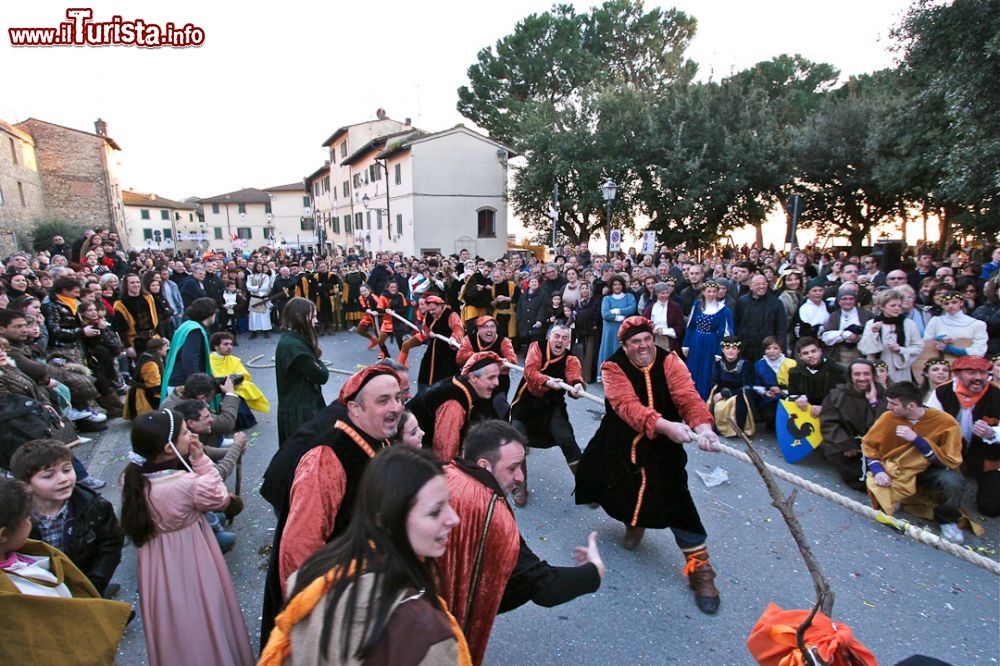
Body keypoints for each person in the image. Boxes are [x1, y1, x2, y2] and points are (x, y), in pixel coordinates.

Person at [260, 446, 467, 664]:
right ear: (386, 519)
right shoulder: (423, 631)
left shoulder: (322, 567)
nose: (454, 519)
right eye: (435, 511)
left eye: (448, 503)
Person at [575, 316, 723, 614]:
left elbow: (687, 397)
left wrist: (704, 427)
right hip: (621, 440)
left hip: (663, 449)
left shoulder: (671, 361)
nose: (643, 346)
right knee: (608, 478)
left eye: (646, 340)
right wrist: (666, 425)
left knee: (679, 502)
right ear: (625, 346)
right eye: (635, 343)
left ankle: (701, 571)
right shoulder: (612, 366)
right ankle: (634, 521)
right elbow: (627, 406)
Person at [440, 421, 604, 664]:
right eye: (513, 468)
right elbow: (542, 587)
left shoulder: (441, 472)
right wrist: (594, 572)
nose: (520, 477)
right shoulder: (493, 513)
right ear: (484, 465)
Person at [261, 366, 402, 647]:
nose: (396, 407)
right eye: (383, 400)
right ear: (355, 409)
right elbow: (300, 549)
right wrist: (314, 619)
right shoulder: (328, 457)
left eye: (399, 398)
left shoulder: (377, 440)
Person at [120, 409, 253, 665]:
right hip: (190, 552)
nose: (191, 435)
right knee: (201, 607)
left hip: (154, 558)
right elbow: (219, 497)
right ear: (169, 448)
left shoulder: (130, 479)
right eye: (185, 433)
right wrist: (201, 459)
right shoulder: (186, 483)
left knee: (170, 613)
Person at [0, 476, 131, 666]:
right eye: (27, 518)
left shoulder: (24, 552)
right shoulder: (13, 595)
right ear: (3, 535)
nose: (31, 522)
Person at [9, 439, 123, 595]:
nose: (63, 479)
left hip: (85, 584)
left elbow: (110, 545)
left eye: (67, 469)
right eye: (48, 476)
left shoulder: (94, 506)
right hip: (39, 592)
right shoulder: (16, 516)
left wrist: (95, 583)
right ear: (26, 484)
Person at [862, 381, 965, 544]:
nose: (888, 407)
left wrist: (918, 441)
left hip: (930, 470)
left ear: (911, 406)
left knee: (953, 481)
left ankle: (947, 520)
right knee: (880, 483)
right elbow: (869, 446)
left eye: (893, 404)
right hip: (898, 469)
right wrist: (878, 471)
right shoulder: (888, 418)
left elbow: (950, 461)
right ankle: (897, 498)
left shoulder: (945, 422)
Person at [509, 324, 586, 507]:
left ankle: (587, 485)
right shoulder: (536, 347)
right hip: (526, 401)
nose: (560, 341)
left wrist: (577, 387)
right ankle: (520, 485)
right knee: (516, 440)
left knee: (567, 439)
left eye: (564, 338)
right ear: (550, 337)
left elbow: (574, 377)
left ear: (568, 342)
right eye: (557, 336)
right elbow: (530, 371)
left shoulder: (571, 359)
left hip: (552, 405)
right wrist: (546, 381)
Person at [926, 355, 1000, 517]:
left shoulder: (997, 394)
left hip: (987, 456)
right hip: (949, 450)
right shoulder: (942, 392)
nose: (978, 378)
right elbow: (928, 424)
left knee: (991, 508)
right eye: (971, 373)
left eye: (982, 373)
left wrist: (992, 433)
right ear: (957, 375)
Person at [413, 351, 502, 461]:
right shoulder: (454, 403)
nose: (497, 383)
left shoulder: (459, 385)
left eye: (497, 377)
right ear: (473, 378)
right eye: (491, 377)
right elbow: (445, 454)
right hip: (412, 455)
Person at [819, 359, 886, 492]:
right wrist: (846, 444)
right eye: (857, 374)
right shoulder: (838, 395)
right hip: (849, 442)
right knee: (837, 453)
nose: (862, 378)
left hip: (877, 443)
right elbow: (829, 422)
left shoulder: (884, 395)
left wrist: (874, 403)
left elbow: (885, 423)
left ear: (873, 375)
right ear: (850, 376)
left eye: (866, 374)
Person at [275, 298, 330, 445]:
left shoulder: (294, 339)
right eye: (313, 316)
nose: (315, 321)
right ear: (300, 316)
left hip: (302, 404)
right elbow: (321, 375)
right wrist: (318, 361)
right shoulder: (293, 346)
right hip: (300, 410)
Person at [455, 315, 517, 414]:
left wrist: (506, 362)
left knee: (499, 404)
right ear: (478, 328)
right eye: (485, 327)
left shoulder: (504, 341)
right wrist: (480, 356)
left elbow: (512, 360)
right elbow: (460, 358)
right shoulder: (469, 339)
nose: (489, 330)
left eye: (492, 327)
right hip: (474, 382)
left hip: (497, 382)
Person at [858, 288, 923, 383]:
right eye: (893, 305)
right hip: (877, 369)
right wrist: (873, 333)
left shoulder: (909, 324)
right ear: (882, 307)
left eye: (899, 306)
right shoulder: (872, 323)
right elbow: (864, 349)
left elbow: (918, 347)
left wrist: (901, 350)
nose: (897, 308)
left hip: (900, 370)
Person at [684, 279, 734, 398]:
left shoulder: (723, 309)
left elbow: (725, 332)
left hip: (711, 344)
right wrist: (686, 344)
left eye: (714, 291)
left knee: (706, 372)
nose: (711, 294)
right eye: (709, 291)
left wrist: (719, 351)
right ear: (704, 292)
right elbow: (690, 326)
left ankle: (704, 400)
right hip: (696, 341)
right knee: (692, 369)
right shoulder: (697, 305)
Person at [162, 297, 216, 396]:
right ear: (210, 314)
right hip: (183, 384)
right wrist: (199, 385)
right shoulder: (195, 331)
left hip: (176, 379)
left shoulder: (187, 325)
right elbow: (190, 358)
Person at [209, 331, 269, 421]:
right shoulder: (209, 361)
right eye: (225, 344)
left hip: (234, 386)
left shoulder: (232, 359)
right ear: (216, 347)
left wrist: (234, 382)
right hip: (217, 389)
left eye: (231, 344)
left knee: (246, 386)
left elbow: (243, 375)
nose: (229, 347)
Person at [707, 337, 755, 438]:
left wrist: (728, 393)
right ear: (722, 350)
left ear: (738, 350)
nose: (730, 351)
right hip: (721, 395)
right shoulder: (718, 364)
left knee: (736, 404)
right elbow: (714, 383)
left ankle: (735, 428)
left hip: (739, 396)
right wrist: (717, 394)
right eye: (727, 348)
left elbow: (747, 386)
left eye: (734, 348)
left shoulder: (746, 365)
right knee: (717, 406)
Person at [735, 274, 788, 364]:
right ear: (751, 286)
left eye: (764, 284)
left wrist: (780, 348)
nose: (762, 287)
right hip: (745, 348)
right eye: (758, 284)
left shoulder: (776, 303)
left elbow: (781, 328)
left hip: (766, 348)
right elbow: (737, 324)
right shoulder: (742, 301)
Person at [417, 294, 465, 391]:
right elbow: (425, 327)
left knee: (446, 375)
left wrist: (454, 338)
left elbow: (458, 329)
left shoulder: (451, 314)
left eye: (434, 309)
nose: (431, 312)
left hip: (448, 351)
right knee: (425, 370)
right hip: (433, 348)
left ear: (440, 306)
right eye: (429, 310)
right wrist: (428, 333)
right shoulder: (428, 315)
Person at [787, 337, 843, 419]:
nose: (810, 355)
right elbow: (791, 394)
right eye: (805, 353)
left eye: (813, 351)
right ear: (800, 356)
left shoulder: (837, 370)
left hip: (832, 414)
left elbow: (842, 397)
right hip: (804, 414)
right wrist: (797, 398)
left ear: (820, 351)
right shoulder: (795, 373)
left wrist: (825, 407)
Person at [923, 289, 989, 359]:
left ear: (961, 303)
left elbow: (979, 351)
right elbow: (926, 343)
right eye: (946, 303)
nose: (950, 306)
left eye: (954, 302)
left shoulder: (977, 324)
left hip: (967, 364)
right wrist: (938, 339)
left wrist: (950, 349)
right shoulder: (935, 321)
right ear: (941, 305)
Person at [597, 275, 637, 381]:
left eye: (619, 284)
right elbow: (605, 314)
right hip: (610, 332)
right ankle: (608, 375)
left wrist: (617, 310)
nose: (617, 287)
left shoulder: (629, 296)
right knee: (609, 351)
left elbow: (632, 309)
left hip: (624, 331)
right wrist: (618, 318)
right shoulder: (607, 298)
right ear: (611, 286)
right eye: (615, 284)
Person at [752, 336, 797, 430]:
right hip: (769, 399)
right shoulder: (759, 364)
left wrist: (782, 391)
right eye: (768, 348)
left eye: (775, 348)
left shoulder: (790, 364)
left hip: (788, 397)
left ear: (781, 349)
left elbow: (797, 385)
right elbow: (756, 385)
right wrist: (765, 392)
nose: (771, 351)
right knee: (770, 415)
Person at [124, 337, 168, 419]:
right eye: (165, 347)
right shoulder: (151, 364)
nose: (166, 349)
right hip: (143, 395)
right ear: (159, 349)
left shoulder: (146, 356)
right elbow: (154, 386)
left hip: (142, 390)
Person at [643, 279, 685, 353]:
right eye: (662, 293)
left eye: (667, 293)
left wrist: (665, 331)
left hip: (670, 341)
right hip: (655, 340)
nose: (665, 295)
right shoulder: (650, 308)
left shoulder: (675, 307)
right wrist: (654, 329)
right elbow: (645, 324)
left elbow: (680, 326)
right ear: (656, 294)